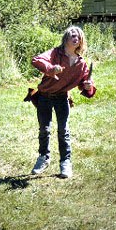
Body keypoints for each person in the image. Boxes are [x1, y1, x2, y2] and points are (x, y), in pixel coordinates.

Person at [30, 26, 96, 178]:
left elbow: (86, 86)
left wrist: (88, 85)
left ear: (81, 42)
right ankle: (43, 158)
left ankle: (65, 163)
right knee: (44, 130)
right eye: (72, 35)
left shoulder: (81, 63)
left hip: (62, 98)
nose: (76, 38)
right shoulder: (55, 53)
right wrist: (51, 68)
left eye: (78, 37)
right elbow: (37, 60)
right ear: (66, 38)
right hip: (44, 96)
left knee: (63, 131)